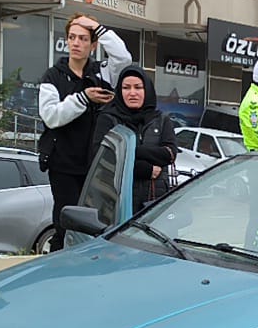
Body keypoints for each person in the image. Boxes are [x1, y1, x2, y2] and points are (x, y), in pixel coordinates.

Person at [38, 14, 130, 250]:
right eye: (71, 37)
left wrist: (98, 27)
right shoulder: (53, 76)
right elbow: (51, 116)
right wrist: (83, 98)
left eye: (83, 38)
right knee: (65, 222)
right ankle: (58, 269)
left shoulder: (102, 72)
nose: (76, 43)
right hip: (64, 164)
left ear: (93, 44)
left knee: (96, 224)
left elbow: (123, 57)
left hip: (97, 164)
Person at [91, 65, 178, 214]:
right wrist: (144, 169)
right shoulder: (108, 118)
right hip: (116, 203)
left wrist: (129, 150)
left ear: (147, 90)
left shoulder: (161, 120)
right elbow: (102, 158)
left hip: (154, 203)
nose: (132, 93)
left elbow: (169, 154)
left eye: (138, 87)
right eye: (126, 88)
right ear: (119, 91)